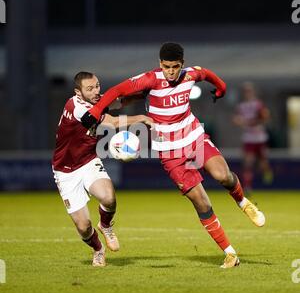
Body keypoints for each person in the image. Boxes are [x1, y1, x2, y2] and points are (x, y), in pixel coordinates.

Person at [81, 43, 266, 269]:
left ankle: (243, 202)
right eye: (166, 66)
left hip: (194, 137)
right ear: (160, 64)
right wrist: (95, 112)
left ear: (182, 64)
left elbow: (207, 74)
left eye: (175, 67)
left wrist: (222, 90)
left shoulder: (190, 75)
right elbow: (117, 91)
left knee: (223, 175)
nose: (170, 71)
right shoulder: (150, 79)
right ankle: (230, 254)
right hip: (169, 151)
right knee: (201, 201)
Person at [52, 71, 153, 267]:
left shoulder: (96, 101)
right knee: (83, 227)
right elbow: (113, 122)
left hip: (88, 161)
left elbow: (118, 103)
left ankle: (105, 225)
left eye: (97, 86)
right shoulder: (77, 107)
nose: (96, 91)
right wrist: (142, 117)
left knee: (109, 197)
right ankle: (98, 249)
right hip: (65, 171)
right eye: (90, 89)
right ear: (78, 92)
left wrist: (141, 95)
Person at [232, 82, 273, 195]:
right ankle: (247, 186)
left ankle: (267, 171)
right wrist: (238, 121)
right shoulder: (241, 106)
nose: (247, 93)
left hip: (260, 137)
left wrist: (252, 122)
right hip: (249, 138)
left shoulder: (258, 104)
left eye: (249, 91)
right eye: (246, 91)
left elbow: (265, 116)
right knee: (248, 163)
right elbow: (235, 119)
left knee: (263, 163)